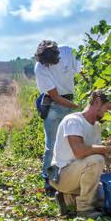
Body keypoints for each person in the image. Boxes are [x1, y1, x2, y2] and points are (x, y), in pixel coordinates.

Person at [49, 90, 111, 218]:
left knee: (105, 198)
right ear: (97, 102)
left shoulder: (96, 127)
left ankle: (67, 199)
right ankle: (84, 209)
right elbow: (80, 152)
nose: (109, 114)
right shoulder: (73, 121)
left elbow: (105, 159)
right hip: (62, 175)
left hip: (77, 174)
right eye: (108, 109)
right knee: (96, 160)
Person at [34, 40, 82, 195]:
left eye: (52, 62)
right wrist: (77, 108)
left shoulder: (68, 52)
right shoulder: (40, 67)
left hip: (70, 99)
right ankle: (48, 181)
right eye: (46, 63)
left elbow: (83, 71)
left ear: (58, 54)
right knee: (52, 145)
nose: (49, 65)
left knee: (73, 142)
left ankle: (68, 179)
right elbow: (54, 95)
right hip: (54, 104)